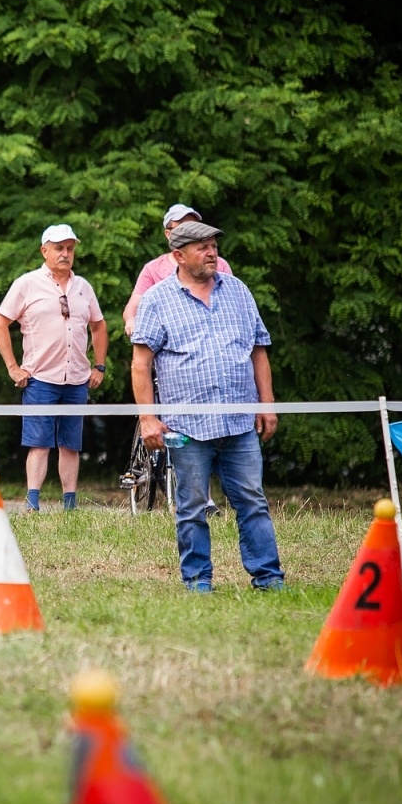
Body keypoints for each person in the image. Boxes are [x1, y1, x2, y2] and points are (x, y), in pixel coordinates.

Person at [130, 220, 285, 592]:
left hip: (239, 422)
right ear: (178, 255)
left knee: (253, 502)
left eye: (214, 244)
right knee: (191, 507)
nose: (212, 252)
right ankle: (198, 582)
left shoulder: (238, 292)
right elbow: (140, 363)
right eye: (202, 247)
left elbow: (259, 351)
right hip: (186, 427)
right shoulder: (157, 299)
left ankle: (269, 579)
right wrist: (148, 418)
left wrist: (267, 405)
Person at [0, 224, 109, 511]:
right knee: (39, 442)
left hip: (77, 378)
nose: (65, 253)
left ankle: (70, 503)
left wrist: (100, 366)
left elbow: (99, 325)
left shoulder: (83, 287)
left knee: (71, 444)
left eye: (69, 248)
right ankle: (33, 502)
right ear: (44, 251)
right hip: (40, 377)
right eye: (59, 248)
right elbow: (0, 323)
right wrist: (13, 367)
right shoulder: (27, 283)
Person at [121, 203, 233, 335]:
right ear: (168, 234)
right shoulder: (153, 269)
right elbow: (134, 304)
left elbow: (232, 303)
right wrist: (131, 321)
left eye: (194, 226)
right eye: (182, 227)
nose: (189, 231)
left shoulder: (218, 264)